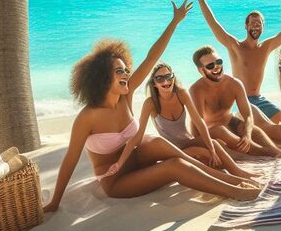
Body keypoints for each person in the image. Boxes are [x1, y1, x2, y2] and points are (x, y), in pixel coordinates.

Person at [44, 0, 259, 212]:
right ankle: (235, 191)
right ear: (102, 79)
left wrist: (174, 22)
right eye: (119, 71)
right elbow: (70, 161)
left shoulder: (125, 96)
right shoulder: (87, 117)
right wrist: (54, 202)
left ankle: (228, 178)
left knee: (158, 143)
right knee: (175, 166)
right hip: (116, 178)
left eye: (125, 70)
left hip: (138, 158)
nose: (126, 74)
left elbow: (152, 56)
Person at [193, 0, 281, 144]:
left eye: (259, 24)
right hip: (240, 101)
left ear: (263, 27)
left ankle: (266, 135)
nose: (256, 26)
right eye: (253, 23)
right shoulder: (235, 46)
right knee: (279, 132)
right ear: (246, 26)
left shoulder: (266, 47)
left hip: (259, 99)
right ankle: (258, 134)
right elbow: (213, 24)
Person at [107, 64, 257, 181]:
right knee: (203, 153)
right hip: (171, 151)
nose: (165, 81)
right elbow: (137, 137)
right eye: (160, 79)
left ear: (173, 78)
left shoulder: (182, 94)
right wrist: (120, 163)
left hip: (187, 142)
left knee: (214, 145)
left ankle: (239, 173)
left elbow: (199, 122)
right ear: (154, 84)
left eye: (168, 76)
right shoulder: (150, 104)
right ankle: (230, 178)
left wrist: (212, 150)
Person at [188, 45, 281, 157]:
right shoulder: (196, 90)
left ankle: (278, 152)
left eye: (218, 62)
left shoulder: (234, 84)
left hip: (231, 123)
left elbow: (248, 115)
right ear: (201, 70)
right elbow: (197, 124)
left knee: (249, 128)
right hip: (211, 131)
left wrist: (247, 135)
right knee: (222, 131)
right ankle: (269, 153)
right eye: (210, 65)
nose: (217, 67)